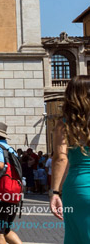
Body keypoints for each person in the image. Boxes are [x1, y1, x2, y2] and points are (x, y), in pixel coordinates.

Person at [50, 75, 90, 243]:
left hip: (78, 186)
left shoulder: (65, 123)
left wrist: (55, 192)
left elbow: (60, 158)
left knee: (77, 236)